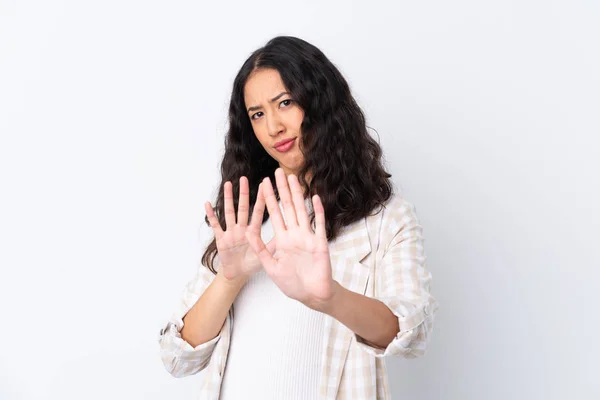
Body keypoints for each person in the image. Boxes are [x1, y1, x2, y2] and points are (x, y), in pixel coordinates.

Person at [158, 35, 438, 400]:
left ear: (321, 103)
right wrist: (230, 278)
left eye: (285, 103)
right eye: (257, 114)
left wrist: (330, 298)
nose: (273, 127)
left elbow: (412, 334)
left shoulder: (384, 217)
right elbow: (177, 358)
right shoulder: (247, 219)